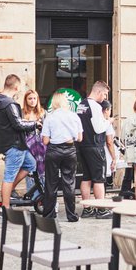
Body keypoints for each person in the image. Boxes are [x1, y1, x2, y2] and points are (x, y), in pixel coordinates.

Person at [0, 74, 38, 210]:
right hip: (15, 144)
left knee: (31, 164)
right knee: (9, 176)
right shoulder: (10, 104)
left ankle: (9, 191)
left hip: (5, 143)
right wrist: (35, 124)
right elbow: (18, 124)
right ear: (16, 87)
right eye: (20, 87)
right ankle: (5, 208)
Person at [41, 91, 83, 222]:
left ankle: (49, 215)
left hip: (53, 150)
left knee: (51, 183)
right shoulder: (74, 116)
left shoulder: (50, 117)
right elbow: (80, 138)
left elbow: (45, 141)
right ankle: (71, 215)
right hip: (70, 150)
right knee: (69, 183)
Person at [76, 80, 111, 219]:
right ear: (98, 91)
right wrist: (109, 121)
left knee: (86, 177)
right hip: (95, 146)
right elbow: (99, 128)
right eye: (104, 94)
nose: (105, 98)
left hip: (82, 145)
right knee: (98, 179)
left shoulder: (81, 105)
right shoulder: (95, 107)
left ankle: (87, 209)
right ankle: (101, 209)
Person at [23, 89, 46, 196]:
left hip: (41, 147)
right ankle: (33, 198)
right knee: (30, 172)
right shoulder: (22, 113)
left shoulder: (43, 112)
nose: (32, 101)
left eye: (34, 98)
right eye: (30, 98)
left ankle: (43, 199)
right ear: (26, 100)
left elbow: (48, 129)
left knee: (43, 173)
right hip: (27, 147)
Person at [102, 100, 117, 185]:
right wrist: (114, 158)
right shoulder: (107, 122)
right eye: (110, 110)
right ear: (106, 110)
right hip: (106, 152)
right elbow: (109, 142)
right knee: (102, 178)